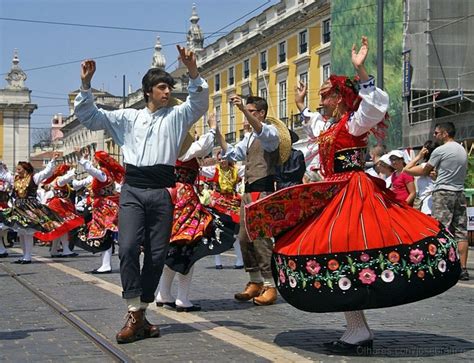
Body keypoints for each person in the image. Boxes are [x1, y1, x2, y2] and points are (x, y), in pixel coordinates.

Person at [244, 36, 460, 355]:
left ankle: (359, 329)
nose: (321, 99)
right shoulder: (334, 126)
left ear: (340, 97)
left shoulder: (354, 123)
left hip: (353, 193)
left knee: (346, 248)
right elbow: (312, 132)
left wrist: (361, 72)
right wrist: (302, 106)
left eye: (325, 95)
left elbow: (375, 106)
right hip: (334, 192)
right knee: (337, 254)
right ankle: (357, 328)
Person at [74, 45, 208, 343]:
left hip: (162, 190)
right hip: (133, 188)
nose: (167, 92)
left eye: (170, 88)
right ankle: (134, 311)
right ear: (148, 91)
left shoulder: (177, 116)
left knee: (158, 254)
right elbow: (90, 117)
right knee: (129, 247)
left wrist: (193, 71)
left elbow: (199, 102)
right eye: (162, 87)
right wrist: (86, 85)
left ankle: (142, 312)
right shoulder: (127, 118)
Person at [216, 94, 291, 306]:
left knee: (262, 239)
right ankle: (255, 281)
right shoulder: (248, 138)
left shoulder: (270, 134)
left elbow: (261, 130)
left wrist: (242, 110)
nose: (245, 115)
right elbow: (231, 153)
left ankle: (270, 285)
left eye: (250, 111)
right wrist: (217, 131)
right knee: (243, 238)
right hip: (248, 193)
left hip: (263, 191)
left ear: (261, 113)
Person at [156, 116, 235, 312]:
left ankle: (164, 293)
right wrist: (212, 128)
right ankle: (182, 298)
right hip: (185, 199)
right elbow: (202, 146)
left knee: (173, 249)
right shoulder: (183, 150)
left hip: (172, 198)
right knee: (189, 248)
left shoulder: (168, 150)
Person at [403, 122, 469, 280]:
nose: (435, 135)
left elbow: (425, 170)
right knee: (461, 232)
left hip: (443, 192)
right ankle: (463, 268)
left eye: (437, 133)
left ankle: (440, 265)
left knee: (440, 229)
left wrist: (420, 158)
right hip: (459, 192)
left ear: (445, 133)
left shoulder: (440, 150)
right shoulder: (462, 149)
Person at [0, 155, 65, 264]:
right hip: (18, 208)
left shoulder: (34, 177)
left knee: (28, 232)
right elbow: (3, 175)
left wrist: (52, 160)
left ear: (25, 169)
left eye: (19, 169)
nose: (17, 171)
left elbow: (46, 172)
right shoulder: (14, 178)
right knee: (21, 233)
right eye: (17, 169)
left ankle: (28, 256)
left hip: (30, 208)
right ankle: (24, 255)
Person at [71, 148, 124, 274]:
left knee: (104, 234)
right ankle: (105, 264)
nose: (94, 162)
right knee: (105, 234)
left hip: (104, 208)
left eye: (95, 160)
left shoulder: (103, 174)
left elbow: (90, 169)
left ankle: (106, 265)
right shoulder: (106, 174)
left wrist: (82, 159)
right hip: (105, 207)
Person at [200, 152, 244, 269]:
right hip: (218, 204)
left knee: (235, 232)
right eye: (219, 159)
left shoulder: (236, 170)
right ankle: (218, 261)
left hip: (233, 203)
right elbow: (201, 170)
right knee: (217, 231)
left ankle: (240, 259)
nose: (221, 161)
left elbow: (249, 169)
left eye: (224, 159)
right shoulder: (215, 170)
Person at [34, 163, 84, 257]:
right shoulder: (59, 180)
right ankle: (65, 250)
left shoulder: (60, 181)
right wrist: (72, 171)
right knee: (63, 228)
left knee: (58, 229)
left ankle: (54, 250)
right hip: (58, 206)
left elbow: (76, 183)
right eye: (66, 170)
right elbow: (66, 178)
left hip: (60, 205)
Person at [404, 140, 437, 215]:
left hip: (428, 203)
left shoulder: (426, 166)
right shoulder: (437, 165)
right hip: (433, 200)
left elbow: (406, 169)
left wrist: (419, 156)